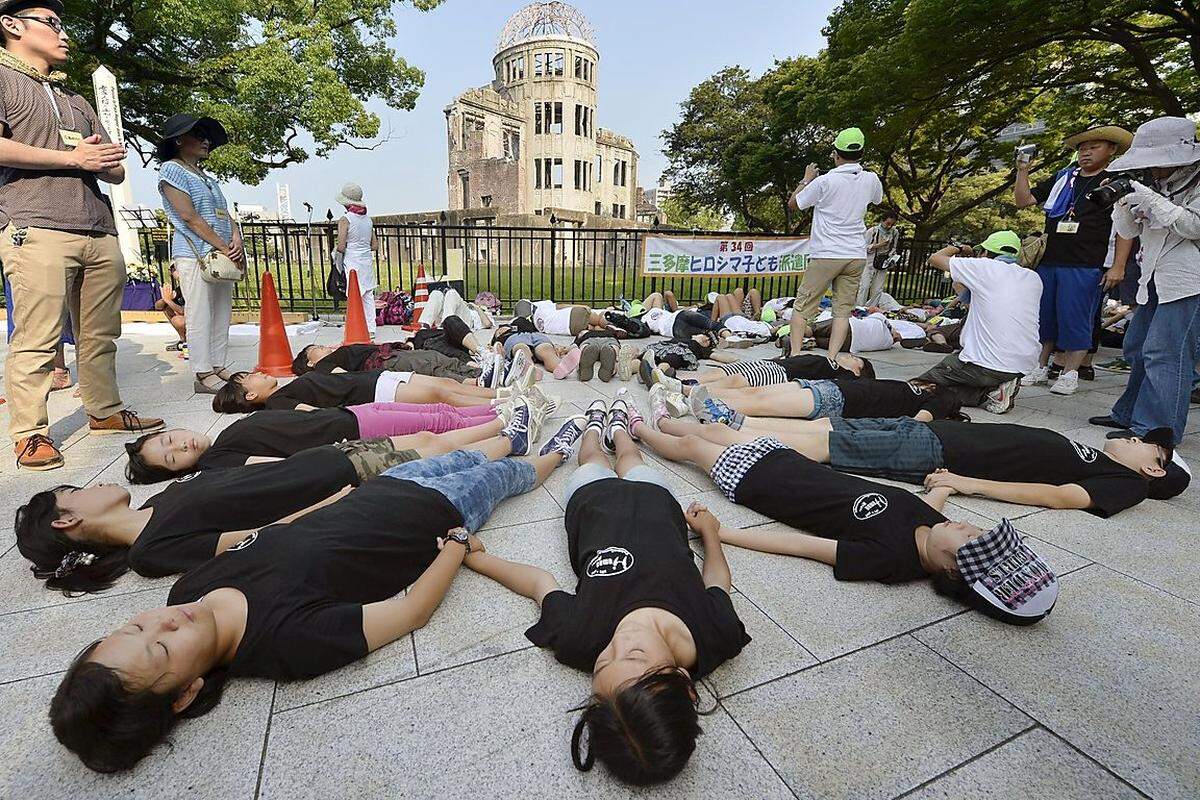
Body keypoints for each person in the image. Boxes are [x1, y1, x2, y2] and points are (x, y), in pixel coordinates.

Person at [46, 408, 583, 773]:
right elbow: (411, 612)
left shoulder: (188, 587)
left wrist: (332, 501)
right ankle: (557, 454)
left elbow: (274, 534)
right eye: (161, 648)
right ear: (186, 692)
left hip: (382, 491)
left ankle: (516, 429)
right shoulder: (284, 644)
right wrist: (455, 547)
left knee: (466, 457)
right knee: (506, 478)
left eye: (135, 626)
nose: (164, 624)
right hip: (433, 520)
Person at [461, 396, 749, 785]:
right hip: (656, 502)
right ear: (684, 682)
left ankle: (594, 428)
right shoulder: (716, 634)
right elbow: (717, 584)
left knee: (591, 459)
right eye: (633, 653)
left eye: (601, 662)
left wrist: (479, 560)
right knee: (632, 458)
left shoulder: (580, 637)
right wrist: (710, 535)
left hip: (591, 504)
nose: (615, 642)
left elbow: (539, 584)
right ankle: (619, 428)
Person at [18, 408, 542, 591]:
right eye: (74, 492)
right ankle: (514, 441)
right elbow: (249, 540)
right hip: (329, 485)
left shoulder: (157, 505)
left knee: (426, 449)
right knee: (429, 460)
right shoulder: (150, 549)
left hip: (319, 462)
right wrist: (333, 502)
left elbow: (248, 481)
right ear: (68, 520)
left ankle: (512, 434)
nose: (89, 485)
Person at [632, 427, 1058, 626]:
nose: (967, 526)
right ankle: (660, 413)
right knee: (715, 429)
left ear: (949, 569)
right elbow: (923, 506)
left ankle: (634, 429)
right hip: (792, 461)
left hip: (763, 484)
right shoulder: (936, 523)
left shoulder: (889, 559)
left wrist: (720, 534)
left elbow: (802, 546)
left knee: (692, 448)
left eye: (968, 537)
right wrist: (946, 487)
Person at [0, 0, 163, 470]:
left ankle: (105, 412)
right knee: (37, 336)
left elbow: (112, 168)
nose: (62, 32)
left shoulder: (75, 99)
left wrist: (101, 159)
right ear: (11, 25)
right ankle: (30, 433)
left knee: (101, 333)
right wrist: (74, 159)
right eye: (51, 23)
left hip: (97, 224)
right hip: (33, 222)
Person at [647, 414, 1190, 517]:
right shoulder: (1103, 457)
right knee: (807, 433)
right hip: (928, 433)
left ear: (1155, 471)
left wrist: (963, 484)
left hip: (934, 454)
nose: (1141, 441)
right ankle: (676, 425)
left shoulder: (1124, 485)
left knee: (809, 445)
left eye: (1152, 449)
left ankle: (669, 431)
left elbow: (1058, 496)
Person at [1087, 117, 1200, 447]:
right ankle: (1130, 412)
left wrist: (1150, 200)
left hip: (1188, 281)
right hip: (1152, 277)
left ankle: (1156, 431)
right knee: (1137, 346)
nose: (1152, 169)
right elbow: (1131, 232)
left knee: (1166, 353)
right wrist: (1125, 207)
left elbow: (1194, 226)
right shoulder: (1158, 184)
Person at [1014, 124, 1135, 395]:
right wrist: (1023, 169)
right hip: (1051, 258)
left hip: (1086, 261)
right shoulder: (1063, 178)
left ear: (1111, 150)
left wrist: (1118, 266)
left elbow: (1127, 226)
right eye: (1082, 148)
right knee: (1046, 315)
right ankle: (1040, 365)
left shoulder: (1116, 182)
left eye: (1094, 147)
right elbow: (1023, 201)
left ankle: (1071, 372)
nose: (1086, 153)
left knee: (1076, 317)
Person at [124, 402, 503, 483]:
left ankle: (498, 411)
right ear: (180, 472)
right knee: (432, 428)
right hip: (353, 434)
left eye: (170, 440)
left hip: (345, 415)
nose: (182, 447)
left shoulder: (221, 440)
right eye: (172, 459)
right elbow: (280, 467)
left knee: (435, 416)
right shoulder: (217, 462)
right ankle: (505, 422)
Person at [156, 113, 243, 394]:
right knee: (200, 312)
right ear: (180, 139)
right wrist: (222, 245)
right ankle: (202, 371)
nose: (206, 141)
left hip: (220, 252)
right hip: (194, 253)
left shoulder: (206, 177)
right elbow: (189, 216)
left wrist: (236, 238)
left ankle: (218, 364)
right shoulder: (172, 170)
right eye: (199, 135)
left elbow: (224, 213)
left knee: (221, 311)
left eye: (207, 136)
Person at [916, 231, 1042, 413]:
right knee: (953, 387)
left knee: (917, 389)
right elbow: (974, 301)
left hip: (984, 364)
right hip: (1021, 365)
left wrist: (961, 249)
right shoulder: (1033, 278)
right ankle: (995, 391)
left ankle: (986, 393)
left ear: (986, 253)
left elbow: (935, 258)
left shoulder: (984, 267)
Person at [788, 127, 883, 360]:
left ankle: (796, 356)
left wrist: (805, 179)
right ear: (861, 152)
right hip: (855, 254)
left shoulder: (824, 181)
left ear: (835, 154)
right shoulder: (871, 179)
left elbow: (794, 204)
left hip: (827, 253)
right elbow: (877, 199)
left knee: (803, 307)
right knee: (842, 311)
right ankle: (831, 359)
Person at [211, 366, 533, 414]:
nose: (258, 372)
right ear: (250, 394)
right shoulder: (278, 404)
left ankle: (509, 393)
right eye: (248, 378)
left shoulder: (288, 387)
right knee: (442, 396)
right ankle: (510, 405)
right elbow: (315, 416)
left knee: (446, 385)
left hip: (376, 379)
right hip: (374, 395)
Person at [666, 375, 963, 425]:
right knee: (754, 394)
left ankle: (687, 402)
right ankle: (684, 392)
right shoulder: (916, 388)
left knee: (760, 404)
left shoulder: (943, 400)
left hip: (839, 402)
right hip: (831, 386)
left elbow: (916, 422)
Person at [292, 341, 481, 383]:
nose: (323, 346)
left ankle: (478, 373)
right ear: (310, 362)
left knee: (434, 357)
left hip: (390, 354)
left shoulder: (336, 354)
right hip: (382, 364)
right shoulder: (323, 365)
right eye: (316, 348)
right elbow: (344, 379)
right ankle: (475, 382)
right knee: (429, 368)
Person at [688, 352, 872, 389]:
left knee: (738, 380)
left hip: (782, 375)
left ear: (857, 371)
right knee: (727, 370)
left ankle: (687, 391)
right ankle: (684, 382)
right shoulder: (828, 360)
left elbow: (862, 386)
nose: (849, 356)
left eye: (856, 360)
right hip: (774, 363)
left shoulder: (844, 374)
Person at [334, 183, 377, 339]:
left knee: (353, 295)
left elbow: (340, 246)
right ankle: (371, 329)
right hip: (366, 261)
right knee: (368, 296)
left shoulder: (345, 219)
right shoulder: (368, 220)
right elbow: (375, 245)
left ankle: (355, 327)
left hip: (352, 261)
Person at [857, 209, 900, 307]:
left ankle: (871, 308)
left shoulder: (894, 232)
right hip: (870, 263)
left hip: (883, 263)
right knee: (864, 286)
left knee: (877, 289)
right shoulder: (873, 231)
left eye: (892, 224)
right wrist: (878, 245)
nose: (889, 226)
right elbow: (863, 247)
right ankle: (859, 307)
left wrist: (892, 258)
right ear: (882, 220)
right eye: (887, 223)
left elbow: (893, 248)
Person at [154, 262, 187, 352]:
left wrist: (168, 300)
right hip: (191, 319)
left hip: (202, 321)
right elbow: (157, 306)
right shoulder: (180, 288)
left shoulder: (192, 287)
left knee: (178, 320)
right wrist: (165, 299)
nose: (175, 272)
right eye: (173, 270)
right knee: (166, 307)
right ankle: (183, 341)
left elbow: (184, 311)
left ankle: (191, 342)